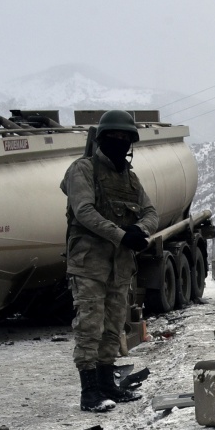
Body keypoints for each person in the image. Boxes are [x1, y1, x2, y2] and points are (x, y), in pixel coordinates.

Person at [61, 109, 157, 412]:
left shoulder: (130, 179)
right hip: (89, 264)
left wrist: (139, 230)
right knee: (90, 326)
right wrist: (121, 235)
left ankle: (107, 384)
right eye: (114, 137)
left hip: (119, 267)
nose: (120, 142)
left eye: (125, 138)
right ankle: (89, 392)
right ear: (102, 139)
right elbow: (84, 211)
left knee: (113, 326)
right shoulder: (83, 170)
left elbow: (151, 212)